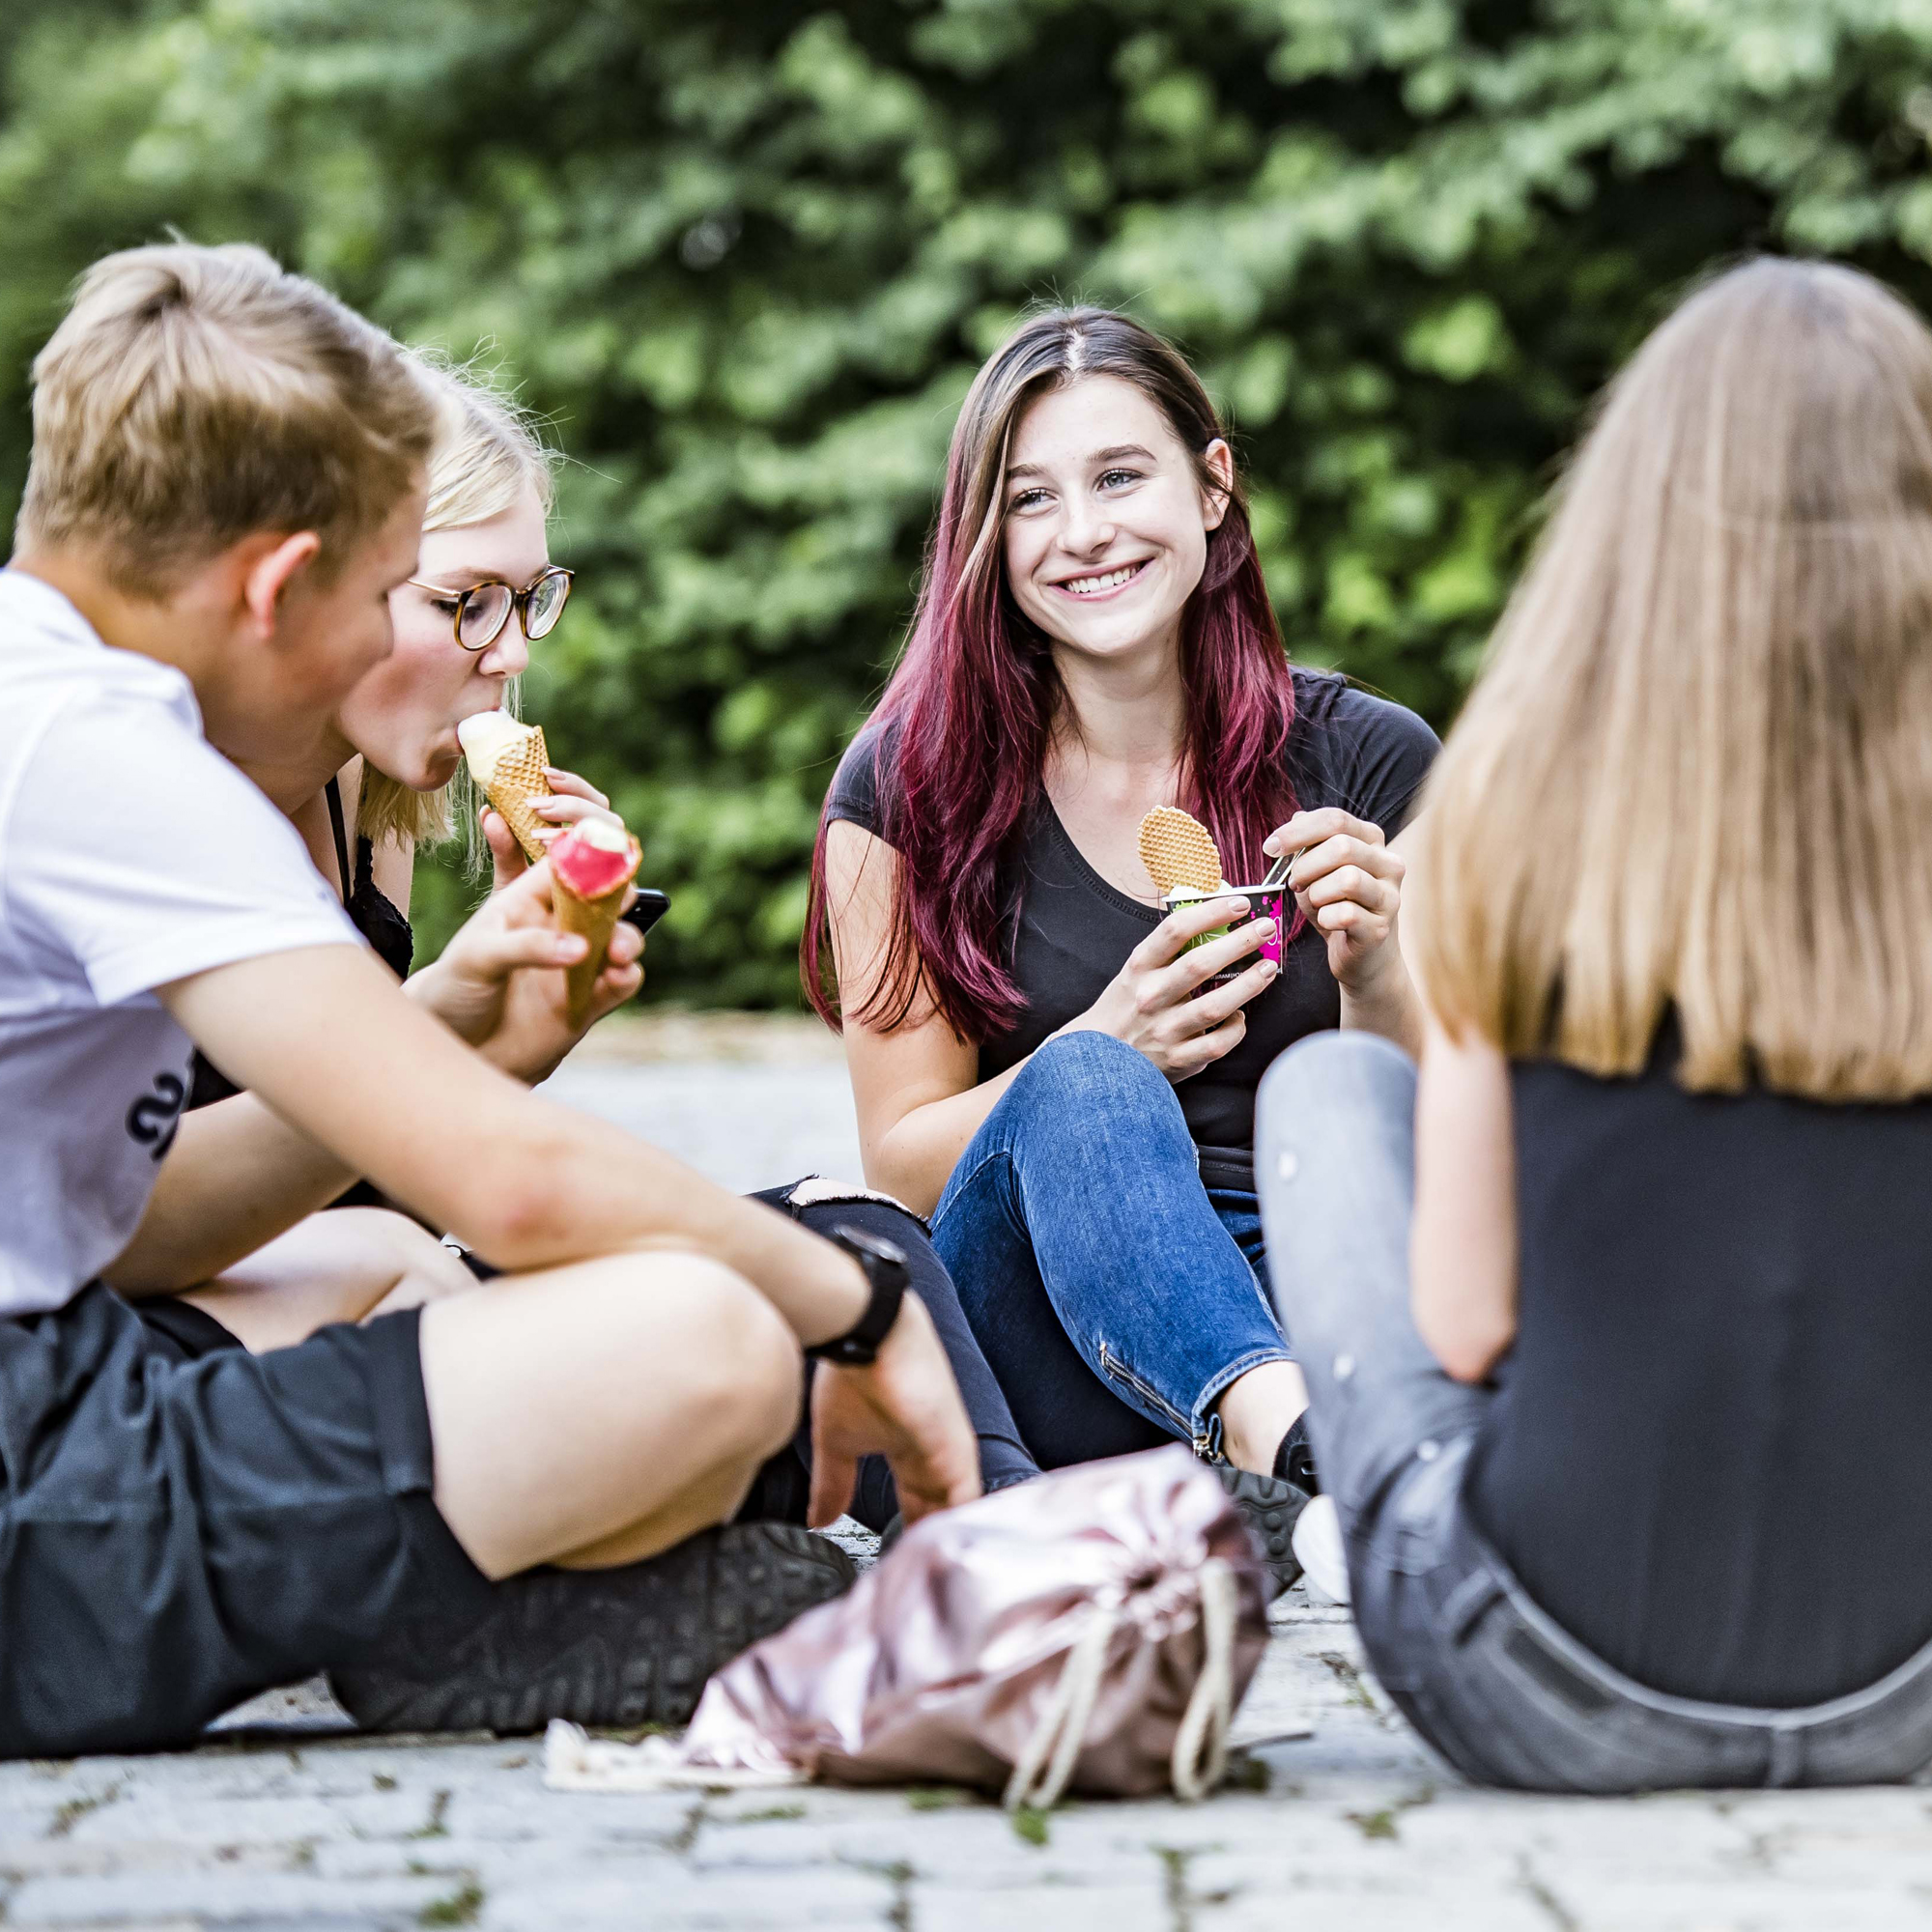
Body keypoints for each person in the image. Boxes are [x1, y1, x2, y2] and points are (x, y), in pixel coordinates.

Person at [0, 241, 979, 1759]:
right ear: (274, 587)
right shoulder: (101, 756)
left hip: (65, 1369)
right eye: (402, 590)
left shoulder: (37, 687)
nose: (494, 662)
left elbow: (109, 1229)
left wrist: (457, 1026)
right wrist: (858, 1311)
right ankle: (457, 1618)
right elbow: (515, 1187)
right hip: (36, 1494)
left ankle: (451, 1618)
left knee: (390, 1252)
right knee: (716, 1338)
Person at [142, 360, 1033, 1527]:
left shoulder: (373, 801)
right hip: (192, 1351)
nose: (509, 653)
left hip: (362, 1288)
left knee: (853, 1234)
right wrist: (440, 1021)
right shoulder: (160, 802)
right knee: (709, 1310)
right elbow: (143, 1212)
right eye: (465, 600)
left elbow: (394, 1168)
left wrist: (517, 1032)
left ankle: (1020, 1536)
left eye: (527, 596)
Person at [1259, 256, 1932, 1791]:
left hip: (1543, 1676)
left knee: (1327, 1095)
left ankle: (1342, 1526)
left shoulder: (1513, 818)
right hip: (1909, 1689)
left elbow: (1470, 1322)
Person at [804, 307, 1437, 1586]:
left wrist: (1374, 963)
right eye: (1031, 498)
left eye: (1120, 476)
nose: (1083, 532)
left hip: (1308, 1270)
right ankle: (1295, 1454)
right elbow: (905, 1170)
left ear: (1213, 489)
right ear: (988, 542)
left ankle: (1247, 1474)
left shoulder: (1370, 762)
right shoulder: (904, 794)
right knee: (1085, 1081)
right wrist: (1110, 1039)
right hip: (1034, 1319)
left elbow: (1445, 1128)